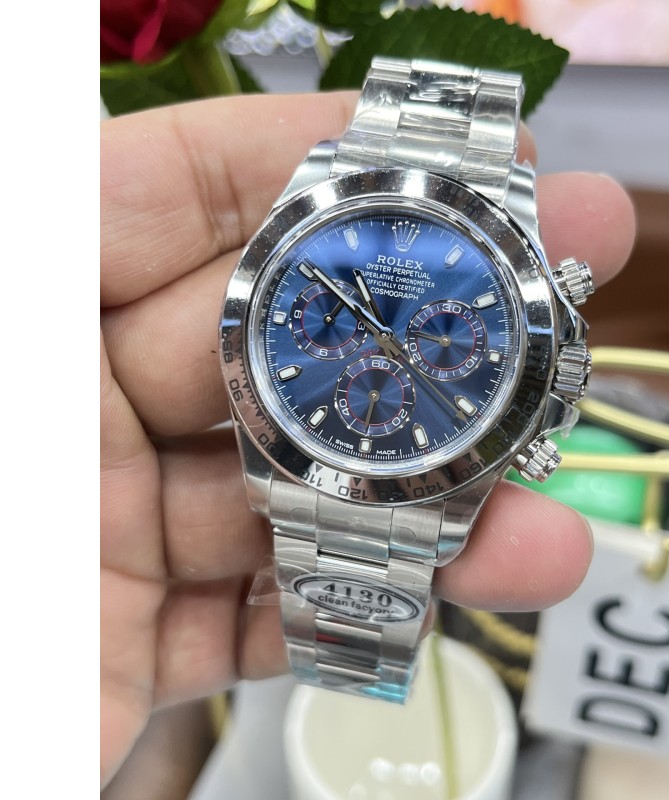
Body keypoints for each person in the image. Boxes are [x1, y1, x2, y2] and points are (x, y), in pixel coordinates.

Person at [100, 90, 637, 788]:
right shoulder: (301, 250)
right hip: (312, 444)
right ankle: (351, 678)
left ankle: (359, 677)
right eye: (376, 329)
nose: (385, 339)